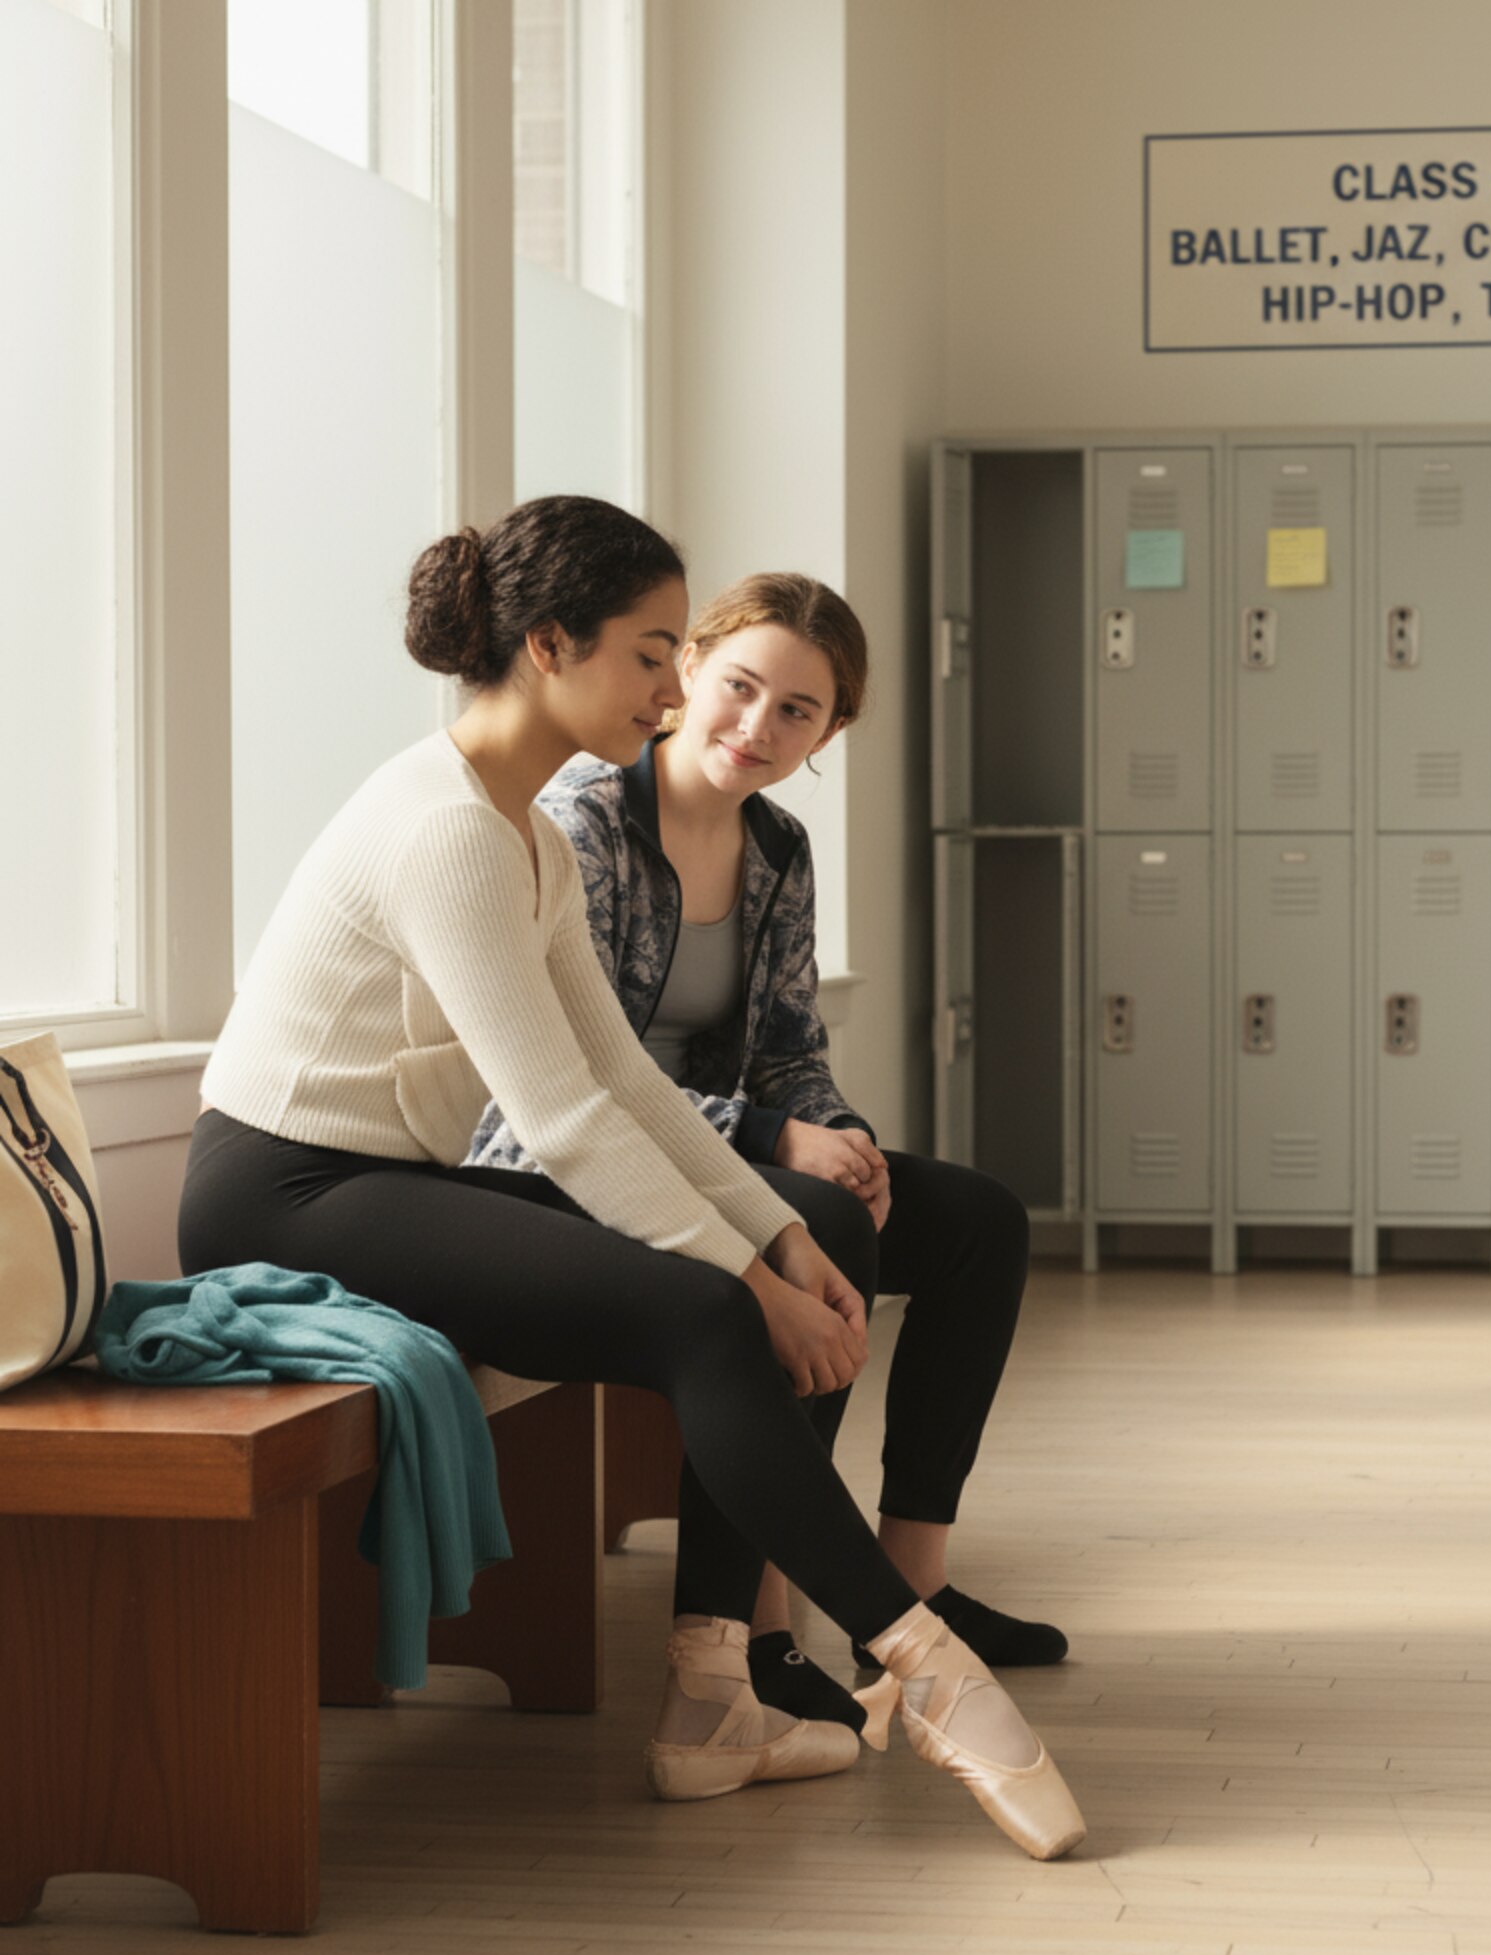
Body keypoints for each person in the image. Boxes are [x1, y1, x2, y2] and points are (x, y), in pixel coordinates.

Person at [178, 496, 1084, 1860]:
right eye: (656, 653)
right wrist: (751, 1278)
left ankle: (745, 1690)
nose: (671, 689)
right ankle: (927, 1669)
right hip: (287, 1200)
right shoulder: (453, 832)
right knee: (705, 1314)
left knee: (733, 1293)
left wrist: (781, 1235)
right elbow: (557, 1119)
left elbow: (630, 1087)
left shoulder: (518, 833)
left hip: (384, 1181)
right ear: (551, 645)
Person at [468, 571, 1065, 1734]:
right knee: (824, 1230)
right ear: (687, 669)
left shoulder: (777, 846)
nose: (757, 726)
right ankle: (760, 1627)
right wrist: (774, 1139)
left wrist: (835, 1129)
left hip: (722, 1150)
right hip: (568, 1164)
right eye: (739, 687)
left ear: (829, 730)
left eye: (798, 710)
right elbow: (576, 1079)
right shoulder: (582, 828)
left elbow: (790, 1042)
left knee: (977, 1222)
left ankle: (917, 1578)